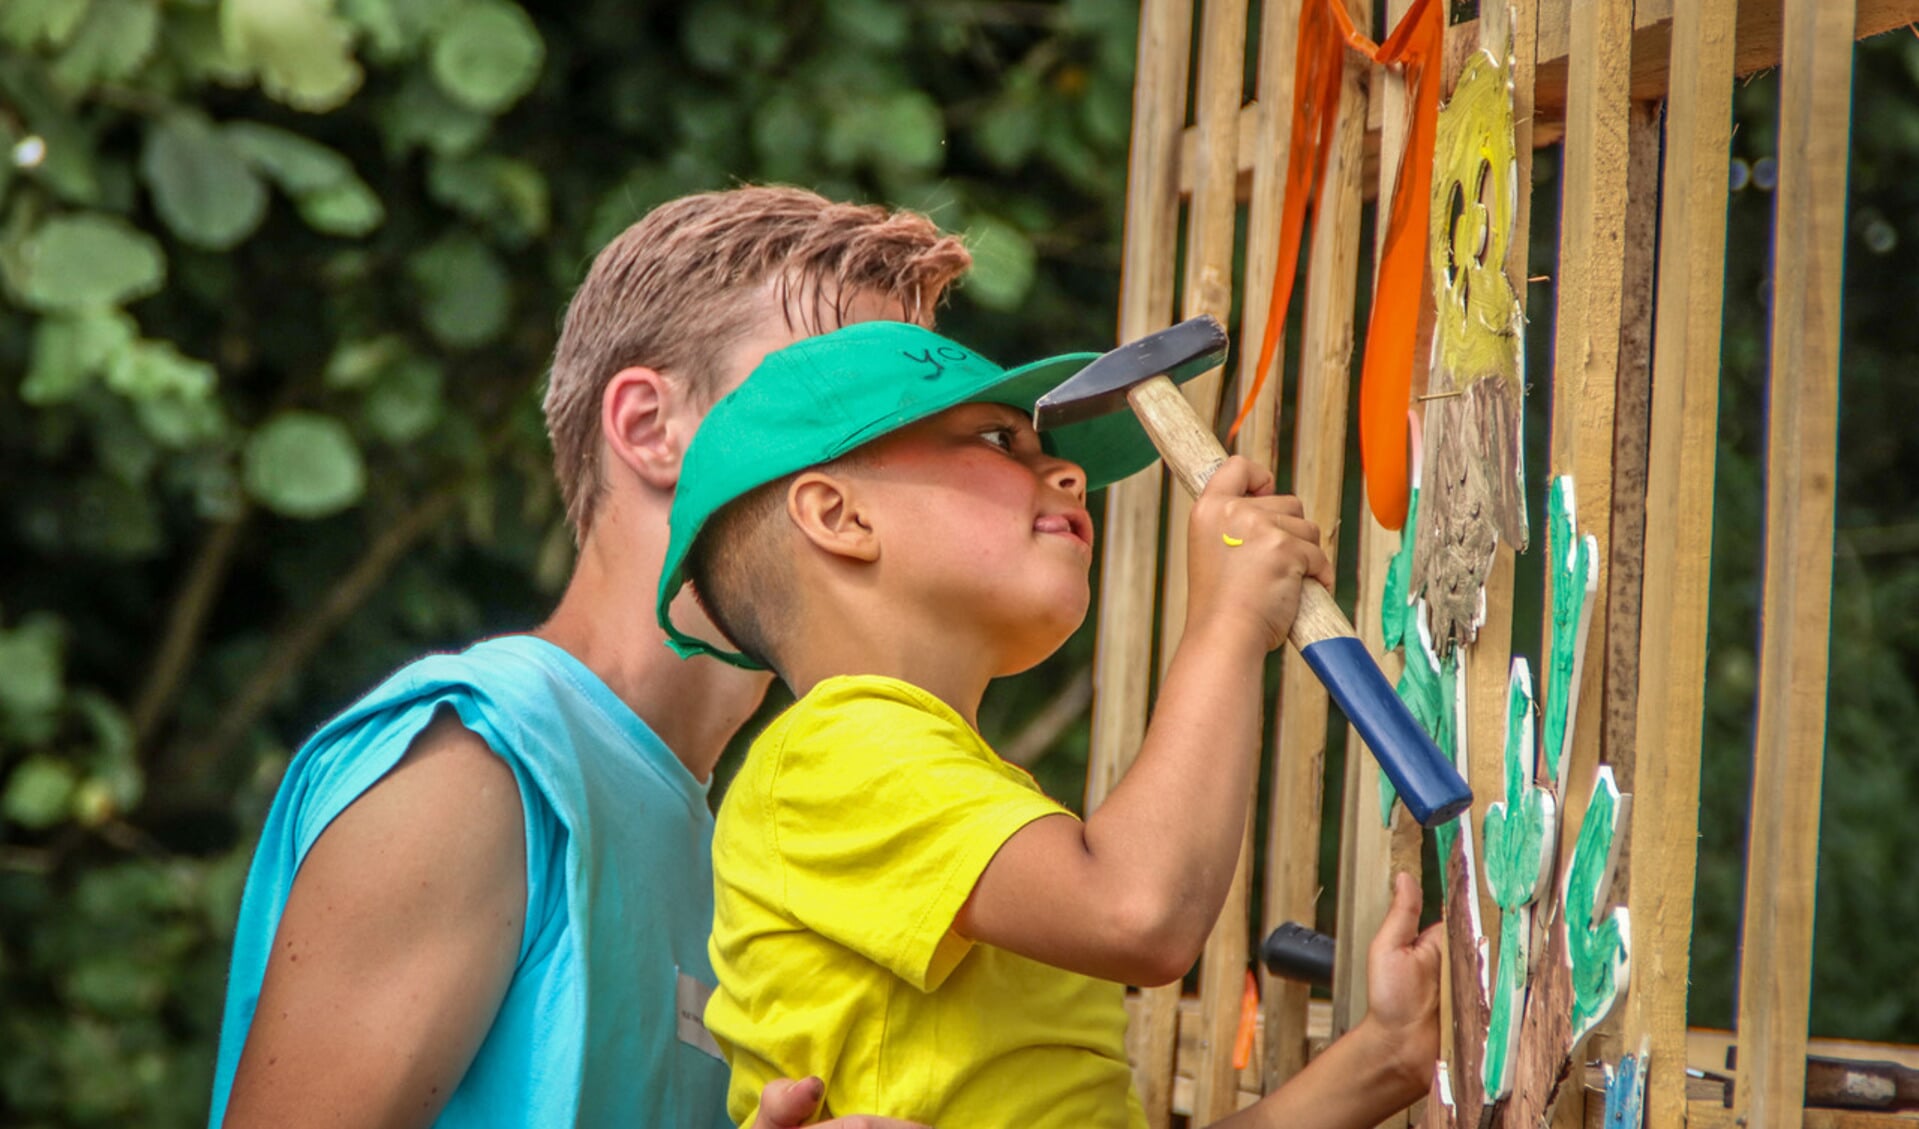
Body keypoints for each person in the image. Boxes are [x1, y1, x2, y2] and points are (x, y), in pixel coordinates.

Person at [208, 186, 969, 1129]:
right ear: (651, 428)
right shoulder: (477, 761)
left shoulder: (738, 844)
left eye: (920, 426)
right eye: (841, 404)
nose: (906, 465)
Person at [658, 321, 1444, 1127]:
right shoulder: (832, 753)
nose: (1066, 472)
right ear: (839, 516)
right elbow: (1139, 910)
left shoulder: (955, 799)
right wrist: (1228, 619)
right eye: (1000, 440)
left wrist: (1384, 1055)